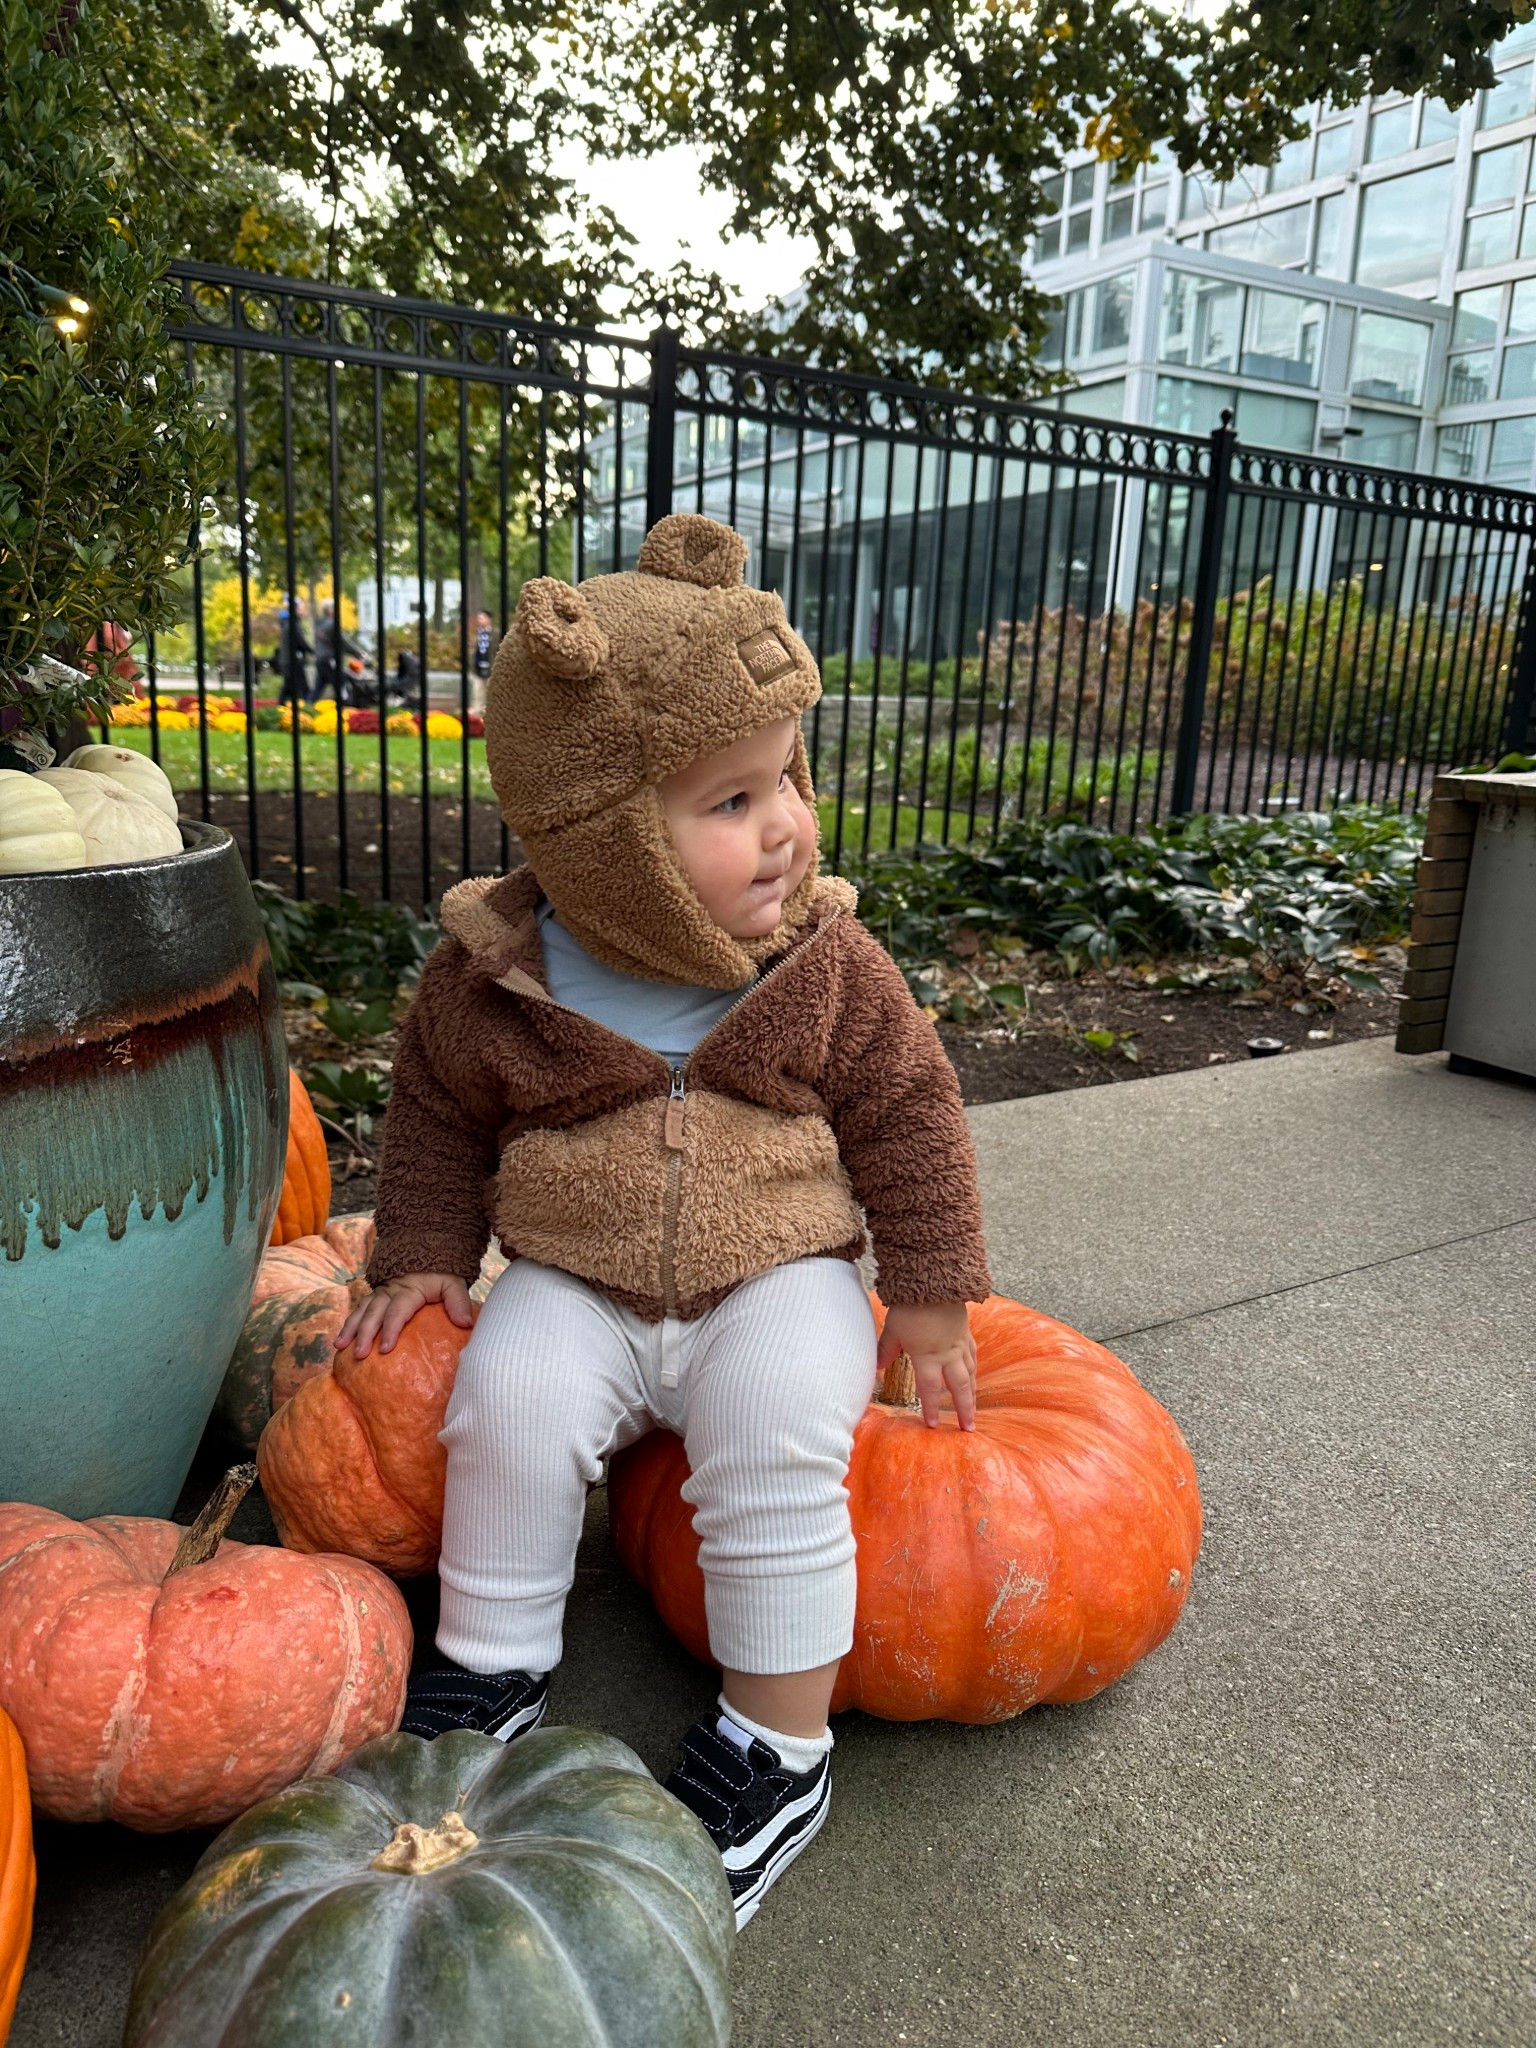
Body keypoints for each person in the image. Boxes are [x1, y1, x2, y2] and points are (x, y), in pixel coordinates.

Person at [336, 513, 991, 1928]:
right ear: (606, 843)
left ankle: (777, 1744)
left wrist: (932, 1286)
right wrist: (425, 1253)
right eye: (731, 801)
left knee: (773, 1432)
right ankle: (490, 1668)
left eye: (788, 778)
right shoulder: (502, 975)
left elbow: (910, 1109)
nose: (786, 825)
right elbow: (439, 1112)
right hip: (578, 1279)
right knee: (505, 1402)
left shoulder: (823, 959)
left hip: (778, 1274)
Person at [313, 598, 365, 703]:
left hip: (320, 659)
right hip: (330, 660)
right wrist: (359, 652)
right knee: (341, 684)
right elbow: (343, 641)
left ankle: (308, 706)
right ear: (330, 610)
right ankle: (345, 706)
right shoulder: (332, 624)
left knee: (319, 688)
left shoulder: (319, 624)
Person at [276, 596, 311, 706]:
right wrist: (312, 651)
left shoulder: (290, 622)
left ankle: (282, 707)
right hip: (292, 661)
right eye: (301, 608)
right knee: (299, 688)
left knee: (290, 688)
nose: (303, 610)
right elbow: (300, 641)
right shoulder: (293, 623)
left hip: (290, 660)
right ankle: (307, 707)